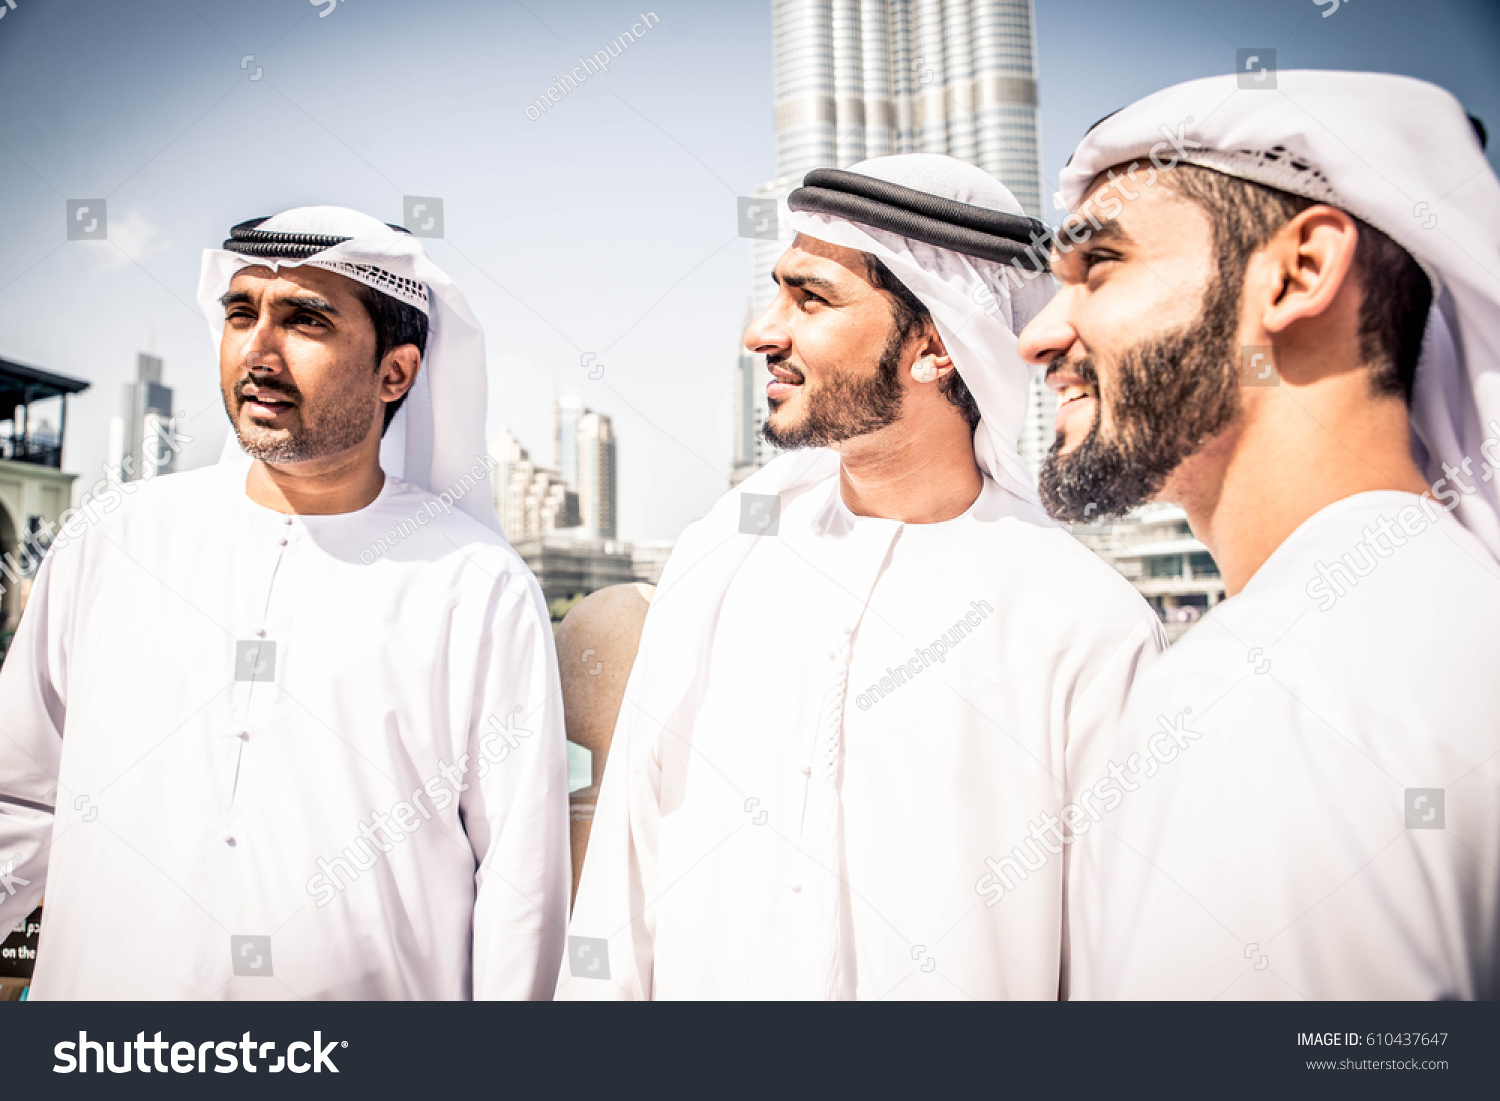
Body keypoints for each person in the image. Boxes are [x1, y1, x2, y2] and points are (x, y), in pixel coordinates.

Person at [559, 155, 1165, 1000]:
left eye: (811, 299)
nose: (762, 332)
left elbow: (1116, 970)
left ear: (934, 346)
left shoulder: (1083, 625)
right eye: (779, 292)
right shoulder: (723, 559)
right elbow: (624, 884)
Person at [0, 207, 569, 999]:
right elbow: (17, 799)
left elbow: (522, 884)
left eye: (304, 319)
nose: (258, 350)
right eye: (241, 313)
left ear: (396, 373)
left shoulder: (477, 586)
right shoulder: (114, 540)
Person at [1017, 71, 1500, 998]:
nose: (1039, 335)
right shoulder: (1444, 610)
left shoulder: (1258, 702)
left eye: (1100, 265)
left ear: (1299, 272)